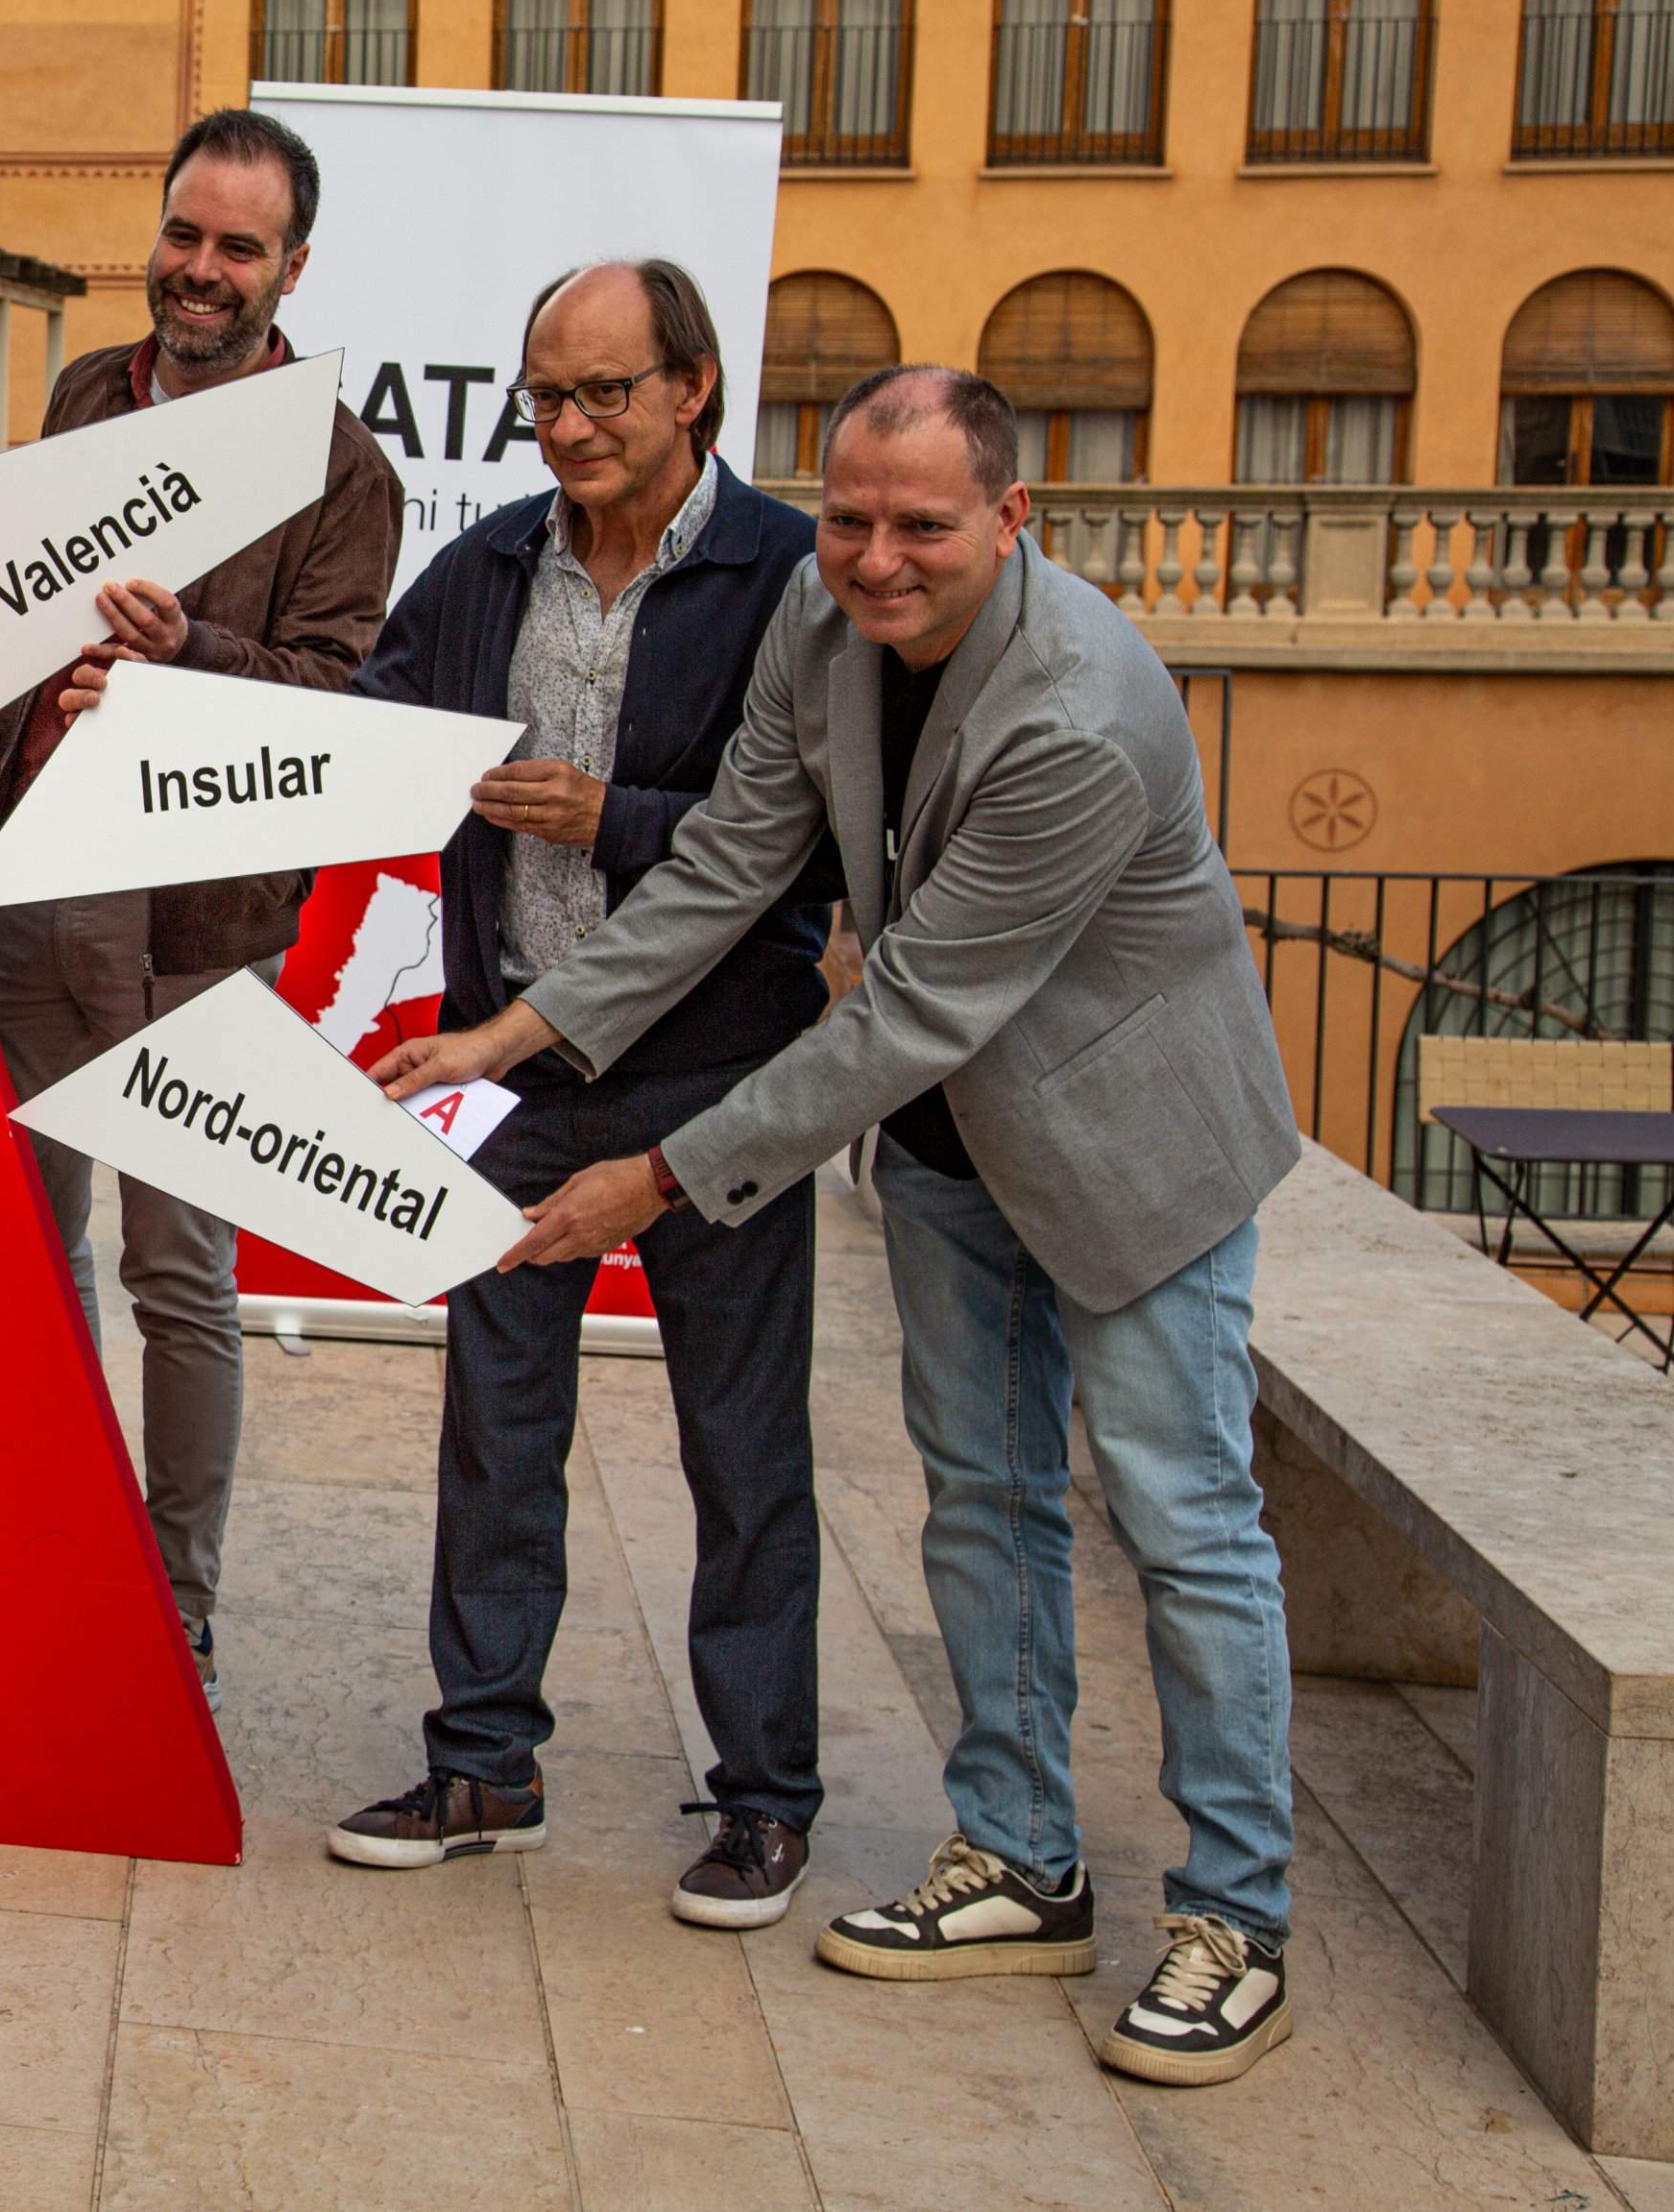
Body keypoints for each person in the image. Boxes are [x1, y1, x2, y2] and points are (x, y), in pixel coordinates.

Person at [375, 363, 1305, 2088]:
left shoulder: (1079, 713)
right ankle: (1021, 1860)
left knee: (1187, 1529)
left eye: (923, 527)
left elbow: (904, 1013)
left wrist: (649, 1176)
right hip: (958, 1150)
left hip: (1131, 1149)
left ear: (1013, 523)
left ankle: (1237, 1915)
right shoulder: (820, 610)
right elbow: (735, 857)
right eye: (854, 516)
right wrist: (521, 1034)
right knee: (984, 1506)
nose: (875, 560)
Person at [328, 261, 834, 1931]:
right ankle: (485, 1763)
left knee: (742, 1450)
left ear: (693, 388)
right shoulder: (485, 564)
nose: (568, 425)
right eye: (546, 394)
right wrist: (185, 672)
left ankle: (763, 1799)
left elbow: (808, 847)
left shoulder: (792, 578)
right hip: (521, 1056)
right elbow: (373, 729)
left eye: (606, 392)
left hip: (721, 1076)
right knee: (497, 1433)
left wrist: (613, 816)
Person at [0, 109, 404, 1708]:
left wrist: (186, 653)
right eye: (184, 235)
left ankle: (178, 1599)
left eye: (238, 249)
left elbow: (337, 697)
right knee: (29, 1249)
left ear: (292, 269)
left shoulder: (347, 467)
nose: (200, 272)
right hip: (35, 894)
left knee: (180, 1273)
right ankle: (56, 1542)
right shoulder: (88, 391)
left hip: (202, 925)